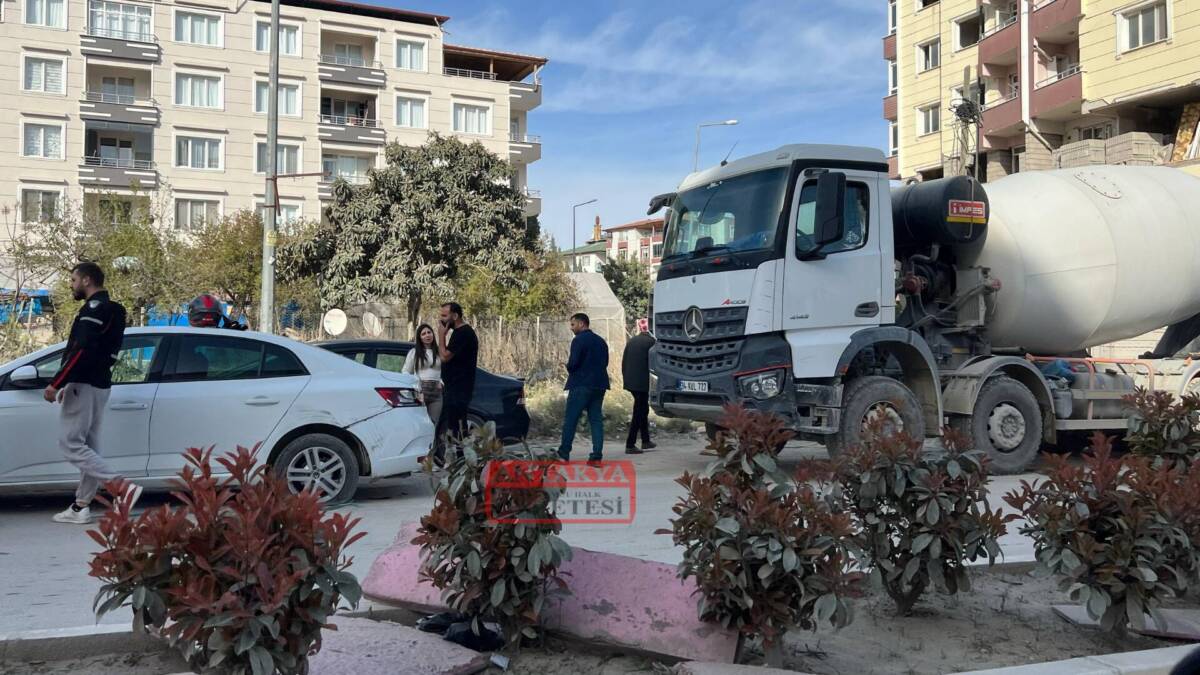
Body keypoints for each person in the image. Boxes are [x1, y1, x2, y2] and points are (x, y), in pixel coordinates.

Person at [45, 262, 143, 524]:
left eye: (73, 279)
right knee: (89, 446)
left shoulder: (93, 309)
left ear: (87, 280)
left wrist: (58, 383)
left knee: (70, 444)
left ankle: (121, 487)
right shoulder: (113, 310)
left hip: (85, 383)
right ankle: (81, 507)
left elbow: (81, 350)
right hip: (100, 384)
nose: (71, 284)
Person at [559, 313, 610, 466]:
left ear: (582, 324)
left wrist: (567, 366)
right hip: (599, 384)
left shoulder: (578, 340)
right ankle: (596, 456)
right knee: (595, 420)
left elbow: (573, 363)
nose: (571, 328)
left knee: (571, 419)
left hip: (581, 384)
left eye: (573, 324)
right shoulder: (601, 341)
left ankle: (563, 454)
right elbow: (605, 363)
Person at [435, 302, 478, 462]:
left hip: (459, 388)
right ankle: (460, 461)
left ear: (455, 316)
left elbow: (445, 356)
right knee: (455, 426)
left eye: (445, 316)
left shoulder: (463, 333)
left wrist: (440, 335)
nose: (442, 320)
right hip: (453, 387)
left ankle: (462, 461)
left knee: (458, 427)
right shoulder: (457, 333)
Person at [622, 322, 657, 454]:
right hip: (642, 382)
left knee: (643, 409)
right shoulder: (652, 342)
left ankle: (646, 440)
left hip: (631, 381)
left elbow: (624, 360)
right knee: (639, 411)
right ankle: (630, 444)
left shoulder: (633, 340)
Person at [404, 323, 442, 425]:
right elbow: (406, 372)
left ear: (433, 334)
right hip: (421, 390)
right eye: (423, 334)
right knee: (421, 424)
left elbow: (445, 371)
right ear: (419, 338)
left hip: (437, 391)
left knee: (434, 423)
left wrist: (442, 382)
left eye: (429, 332)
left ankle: (434, 441)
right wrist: (416, 387)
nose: (427, 335)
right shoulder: (414, 352)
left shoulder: (439, 352)